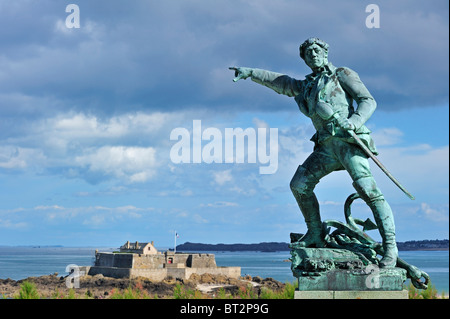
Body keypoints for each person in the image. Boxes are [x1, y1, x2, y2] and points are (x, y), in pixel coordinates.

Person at [230, 37, 398, 268]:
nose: (313, 55)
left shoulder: (342, 74)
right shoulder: (306, 85)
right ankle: (316, 232)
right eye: (308, 53)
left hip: (348, 141)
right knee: (299, 185)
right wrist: (250, 72)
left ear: (326, 52)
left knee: (368, 190)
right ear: (305, 59)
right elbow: (282, 82)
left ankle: (390, 247)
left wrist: (355, 121)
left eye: (317, 50)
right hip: (326, 147)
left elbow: (367, 100)